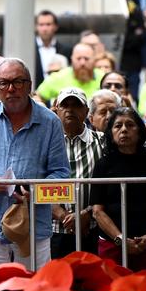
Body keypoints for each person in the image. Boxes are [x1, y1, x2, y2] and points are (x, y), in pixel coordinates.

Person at [0, 58, 71, 267]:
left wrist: (36, 192)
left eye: (17, 82)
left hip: (34, 227)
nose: (11, 89)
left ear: (29, 85)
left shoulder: (50, 122)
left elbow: (62, 174)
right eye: (4, 83)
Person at [91, 106, 146, 268]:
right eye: (118, 126)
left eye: (130, 125)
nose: (124, 130)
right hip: (112, 246)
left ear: (139, 131)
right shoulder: (103, 165)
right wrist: (120, 239)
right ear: (110, 132)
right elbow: (98, 211)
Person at [49, 89, 104, 258]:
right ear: (56, 110)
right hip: (54, 229)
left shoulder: (103, 141)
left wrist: (87, 214)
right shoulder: (45, 144)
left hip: (93, 228)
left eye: (76, 105)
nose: (70, 110)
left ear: (86, 111)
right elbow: (37, 182)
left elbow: (110, 185)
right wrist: (63, 216)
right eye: (64, 105)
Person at [37, 43, 103, 104]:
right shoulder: (58, 77)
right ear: (72, 59)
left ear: (94, 60)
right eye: (78, 58)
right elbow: (37, 97)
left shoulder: (103, 78)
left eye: (86, 59)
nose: (82, 63)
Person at [34, 11, 74, 78]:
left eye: (48, 24)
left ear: (55, 27)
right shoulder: (28, 51)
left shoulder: (67, 50)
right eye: (41, 25)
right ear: (36, 27)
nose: (45, 29)